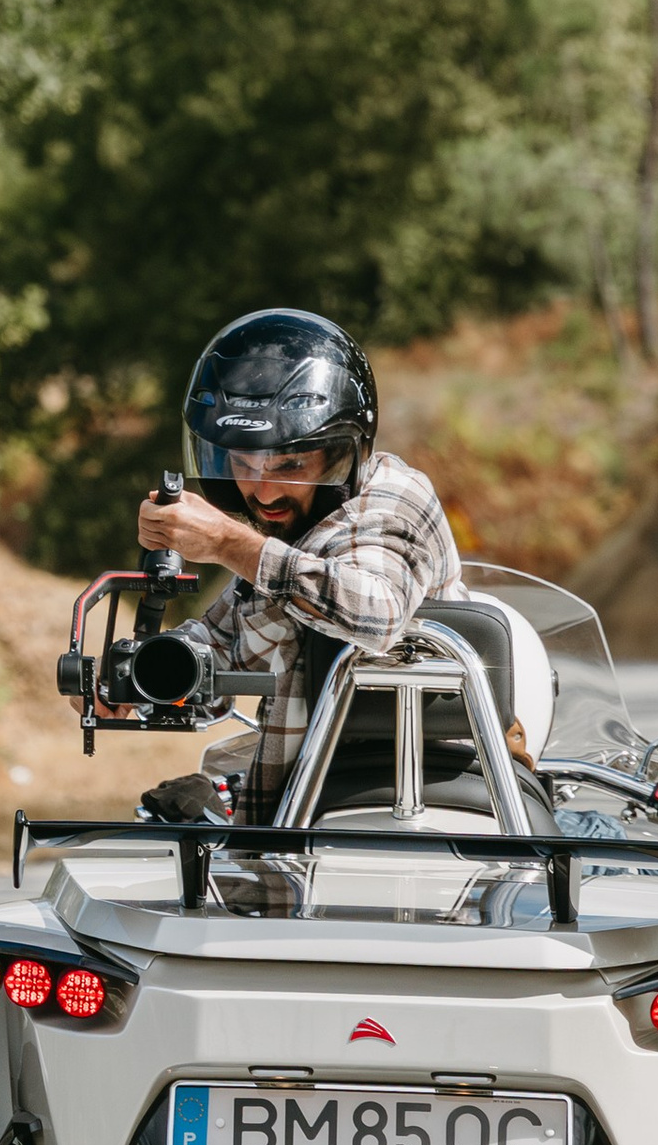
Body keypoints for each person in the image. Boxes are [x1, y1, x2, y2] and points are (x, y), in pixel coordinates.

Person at [134, 306, 459, 820]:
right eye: (242, 463)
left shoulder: (392, 502)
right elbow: (219, 646)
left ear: (342, 452)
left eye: (289, 465)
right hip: (296, 804)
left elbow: (377, 614)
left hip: (403, 801)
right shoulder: (288, 545)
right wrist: (134, 676)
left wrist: (225, 543)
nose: (262, 491)